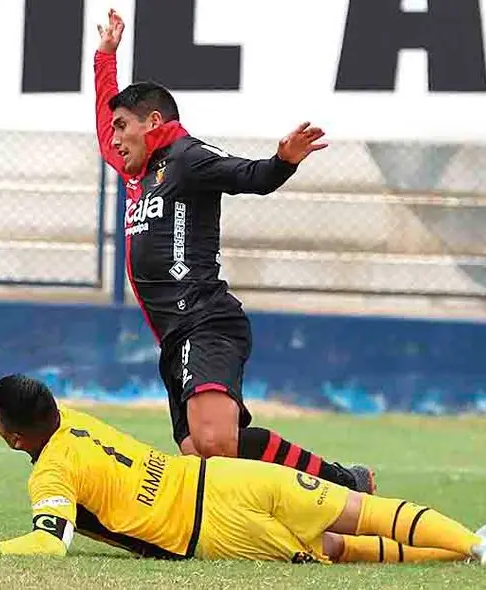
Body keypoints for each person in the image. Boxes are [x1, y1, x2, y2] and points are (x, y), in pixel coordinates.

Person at [92, 9, 373, 494]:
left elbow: (250, 176)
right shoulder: (139, 171)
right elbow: (104, 121)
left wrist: (281, 161)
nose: (114, 139)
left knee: (214, 443)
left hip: (205, 321)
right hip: (174, 337)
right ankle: (323, 498)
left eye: (123, 127)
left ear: (154, 122)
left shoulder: (187, 158)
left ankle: (342, 484)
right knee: (203, 453)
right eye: (113, 129)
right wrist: (105, 58)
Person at [0, 377, 486, 569]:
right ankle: (479, 546)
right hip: (229, 478)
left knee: (338, 549)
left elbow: (49, 545)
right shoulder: (71, 419)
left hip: (211, 531)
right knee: (360, 512)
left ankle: (470, 553)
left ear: (16, 437)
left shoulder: (49, 477)